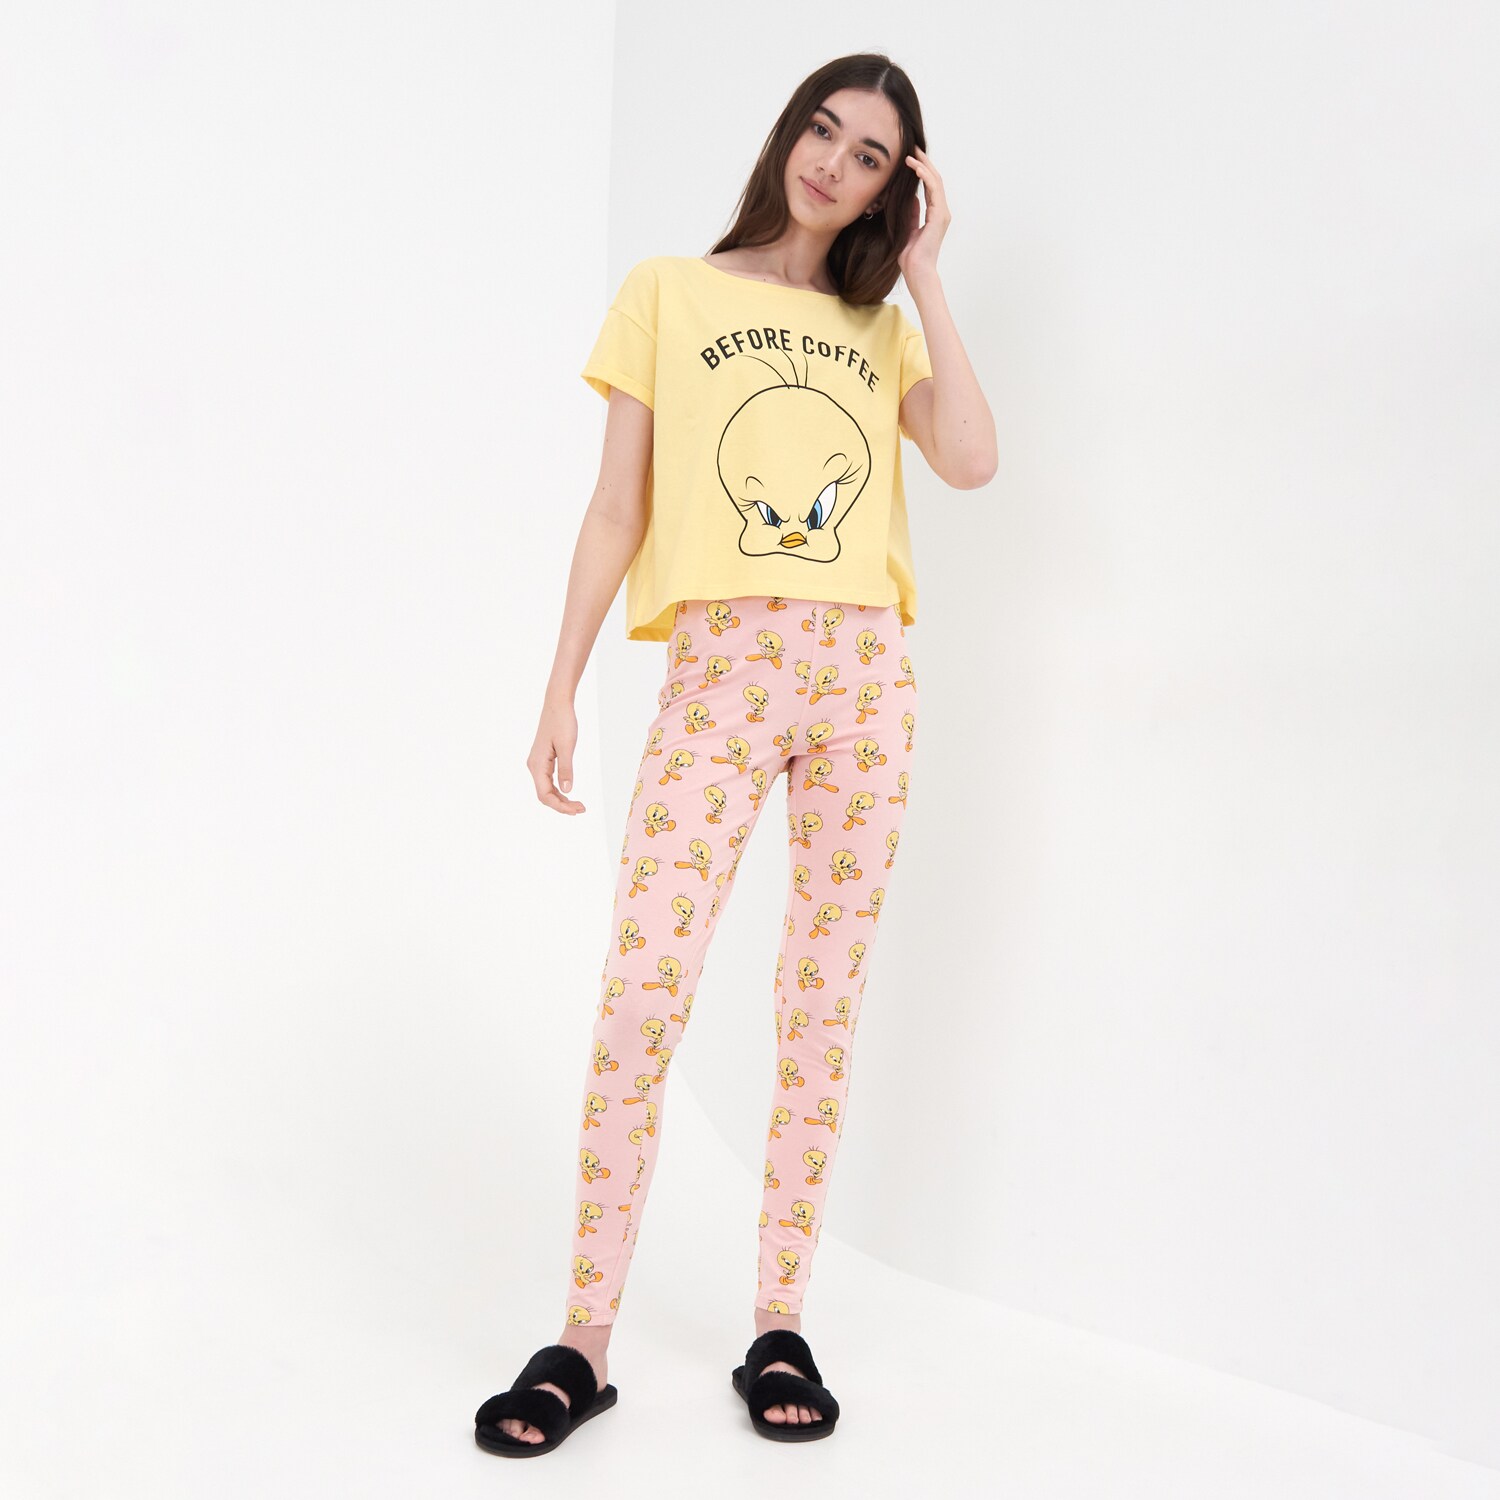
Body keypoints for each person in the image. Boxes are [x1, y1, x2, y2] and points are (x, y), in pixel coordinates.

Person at [474, 50, 996, 1456]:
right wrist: (561, 682)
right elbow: (615, 507)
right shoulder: (669, 291)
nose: (834, 164)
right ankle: (584, 1339)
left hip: (863, 682)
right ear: (787, 136)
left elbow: (970, 460)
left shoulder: (880, 326)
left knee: (819, 1006)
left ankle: (779, 1322)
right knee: (645, 988)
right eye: (824, 131)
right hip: (719, 674)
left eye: (871, 156)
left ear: (893, 189)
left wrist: (928, 276)